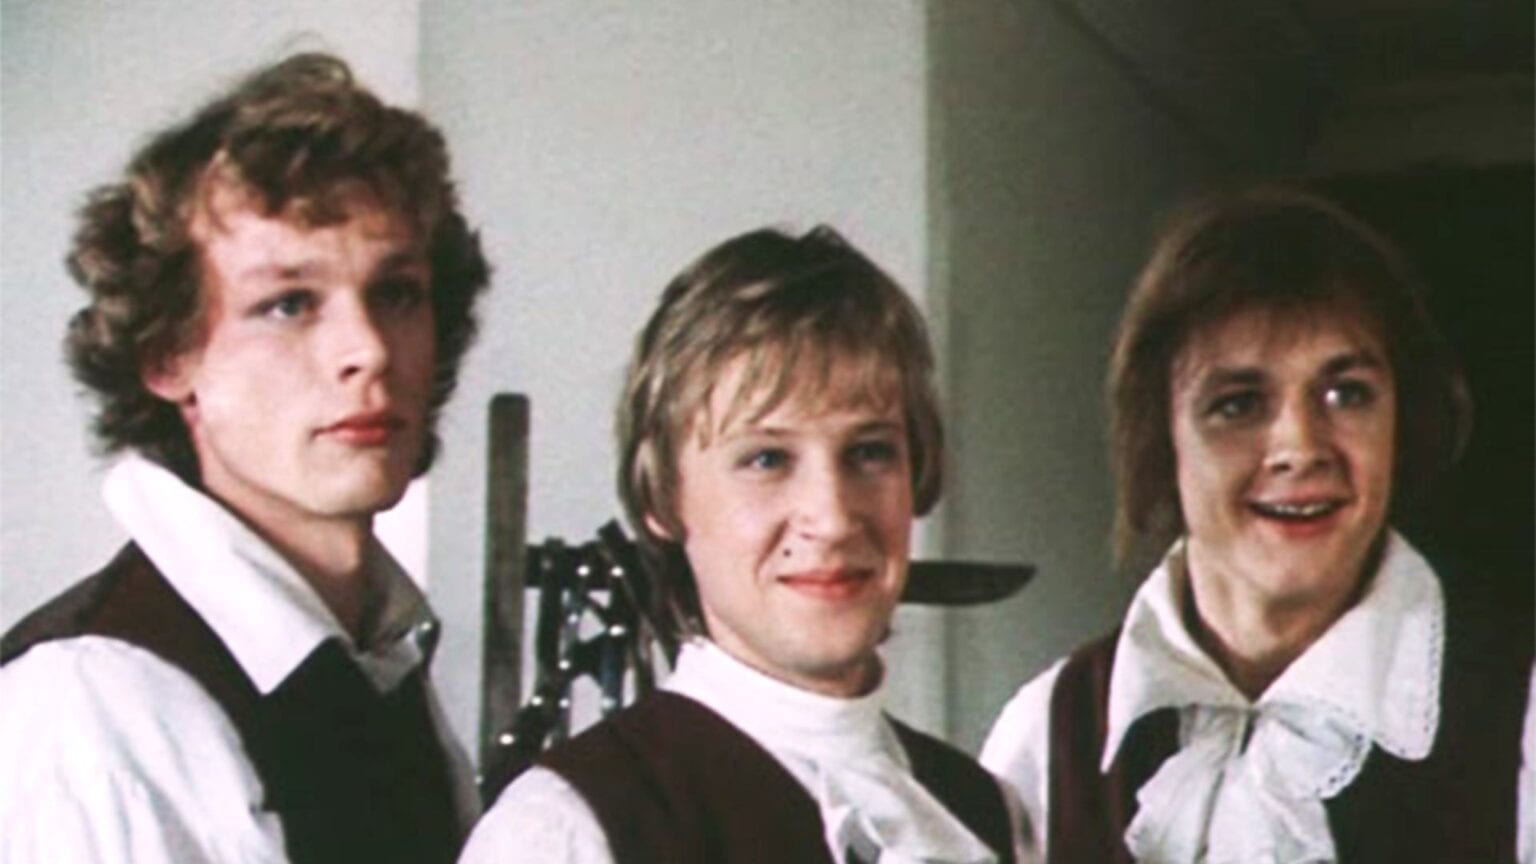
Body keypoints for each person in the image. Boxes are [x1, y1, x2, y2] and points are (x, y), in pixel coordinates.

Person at [0, 53, 491, 863]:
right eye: (289, 304)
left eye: (396, 293)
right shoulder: (96, 703)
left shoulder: (374, 658)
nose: (368, 349)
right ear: (168, 357)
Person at [981, 186, 1534, 862]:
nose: (1300, 447)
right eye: (1239, 404)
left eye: (1346, 394)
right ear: (1160, 436)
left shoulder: (1521, 715)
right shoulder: (1047, 737)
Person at [461, 226, 1026, 863]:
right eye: (766, 459)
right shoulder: (566, 830)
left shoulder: (986, 814)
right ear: (663, 500)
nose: (833, 517)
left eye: (870, 452)